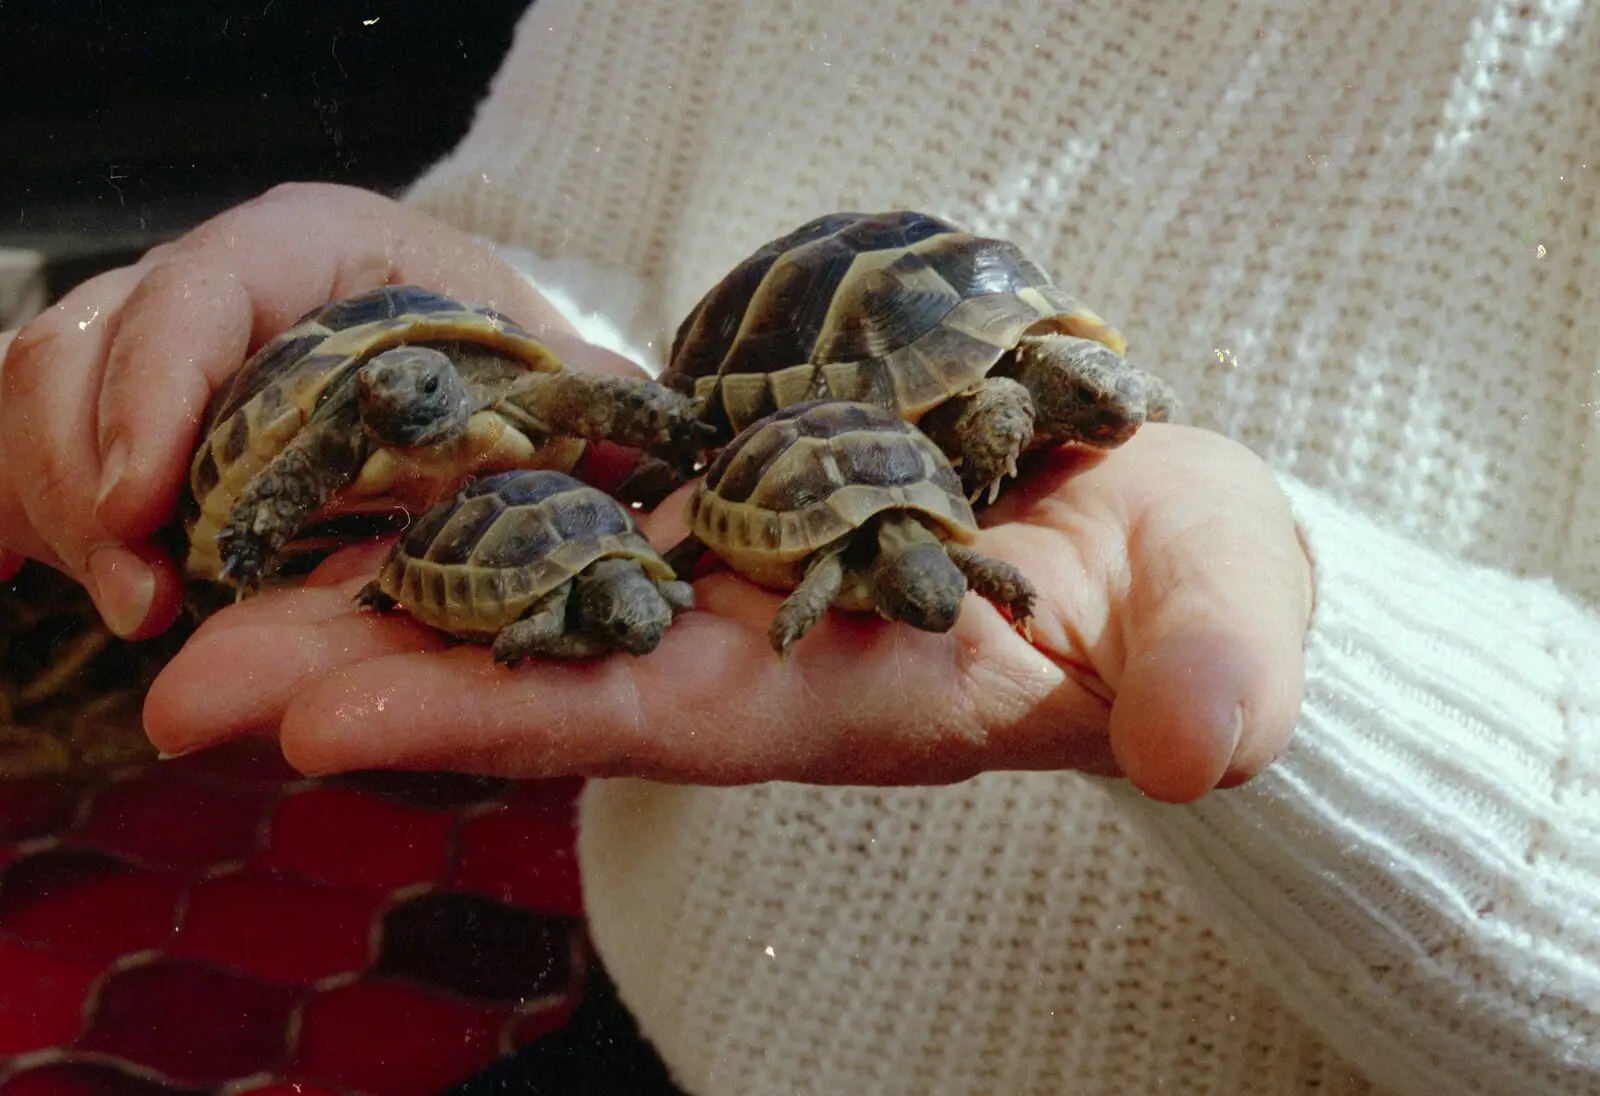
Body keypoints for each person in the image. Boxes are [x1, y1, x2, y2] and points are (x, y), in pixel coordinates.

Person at [2, 1, 1596, 1093]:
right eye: (1088, 393)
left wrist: (1329, 662)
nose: (1111, 416)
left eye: (1107, 401)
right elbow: (651, 387)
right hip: (659, 1018)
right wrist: (434, 320)